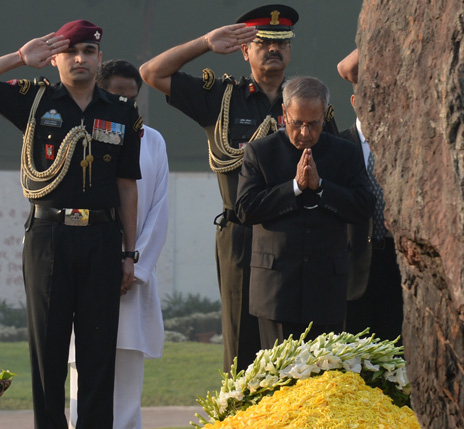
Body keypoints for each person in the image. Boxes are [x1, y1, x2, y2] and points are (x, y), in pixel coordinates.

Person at [140, 4, 337, 371]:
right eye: (262, 42)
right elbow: (151, 73)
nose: (273, 49)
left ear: (290, 50)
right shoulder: (221, 97)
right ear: (245, 50)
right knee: (242, 345)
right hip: (242, 234)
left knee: (297, 346)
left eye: (281, 43)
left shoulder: (309, 104)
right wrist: (204, 42)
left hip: (296, 234)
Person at [0, 20, 142, 428]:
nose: (81, 59)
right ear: (55, 59)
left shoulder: (120, 111)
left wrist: (129, 253)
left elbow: (126, 186)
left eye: (89, 52)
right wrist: (18, 59)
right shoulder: (35, 102)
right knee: (48, 349)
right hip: (49, 237)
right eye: (72, 52)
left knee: (98, 352)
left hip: (101, 237)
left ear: (99, 58)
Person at [235, 76, 374, 349]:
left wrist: (321, 187)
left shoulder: (344, 153)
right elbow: (244, 208)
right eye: (297, 123)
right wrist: (295, 188)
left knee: (325, 380)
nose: (304, 133)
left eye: (314, 124)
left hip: (327, 288)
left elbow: (363, 207)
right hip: (276, 288)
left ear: (325, 115)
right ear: (284, 114)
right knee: (280, 382)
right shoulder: (260, 152)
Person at [68, 60, 169, 429]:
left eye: (132, 97)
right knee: (86, 380)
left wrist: (136, 268)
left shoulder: (152, 140)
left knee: (127, 387)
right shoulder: (79, 135)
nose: (125, 104)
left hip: (130, 280)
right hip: (86, 273)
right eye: (116, 96)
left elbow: (159, 211)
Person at [341, 92, 403, 341]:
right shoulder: (338, 143)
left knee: (394, 348)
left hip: (395, 262)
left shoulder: (403, 144)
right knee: (352, 352)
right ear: (354, 101)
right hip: (352, 264)